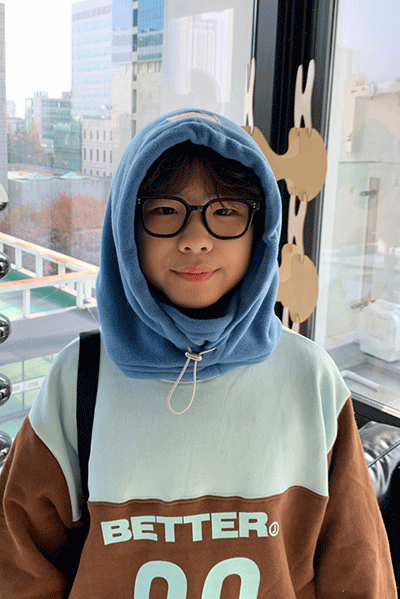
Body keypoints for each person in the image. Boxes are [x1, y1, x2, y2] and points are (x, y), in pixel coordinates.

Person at [0, 108, 396, 598]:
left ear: (260, 228)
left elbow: (357, 568)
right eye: (166, 211)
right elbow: (20, 564)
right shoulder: (79, 379)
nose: (195, 240)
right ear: (127, 227)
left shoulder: (309, 378)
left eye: (225, 211)